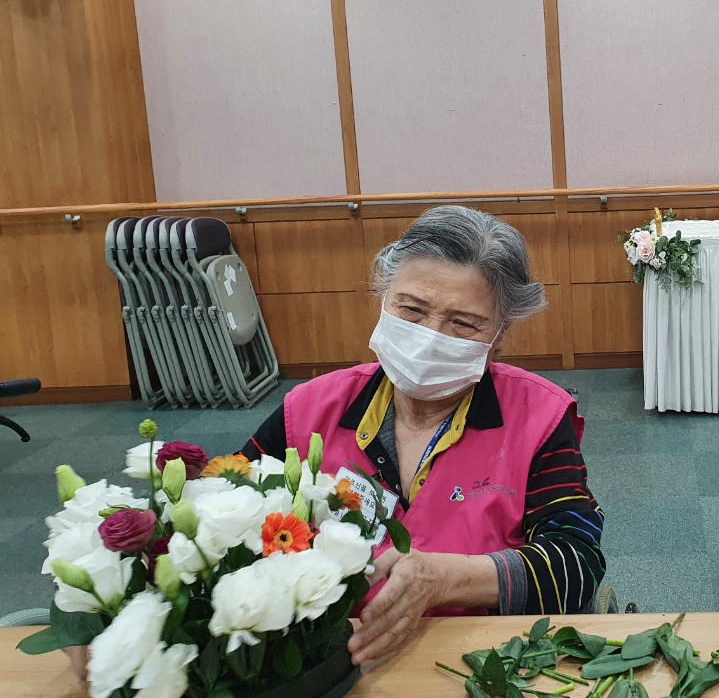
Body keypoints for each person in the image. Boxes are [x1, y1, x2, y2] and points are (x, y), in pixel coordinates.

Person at [241, 206, 604, 665]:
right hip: (327, 658)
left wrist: (443, 578)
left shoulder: (539, 418)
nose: (429, 337)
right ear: (383, 298)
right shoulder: (311, 409)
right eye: (411, 309)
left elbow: (576, 563)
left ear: (500, 334)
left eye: (463, 323)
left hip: (479, 662)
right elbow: (225, 515)